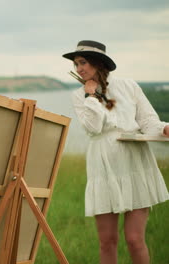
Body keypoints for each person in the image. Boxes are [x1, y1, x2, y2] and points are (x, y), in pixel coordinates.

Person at [63, 40, 169, 264]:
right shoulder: (78, 95)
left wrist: (164, 128)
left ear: (98, 62)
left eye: (83, 62)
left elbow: (148, 121)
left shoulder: (129, 86)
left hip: (135, 164)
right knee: (107, 241)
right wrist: (90, 96)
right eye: (76, 64)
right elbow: (93, 128)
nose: (79, 68)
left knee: (134, 239)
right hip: (103, 166)